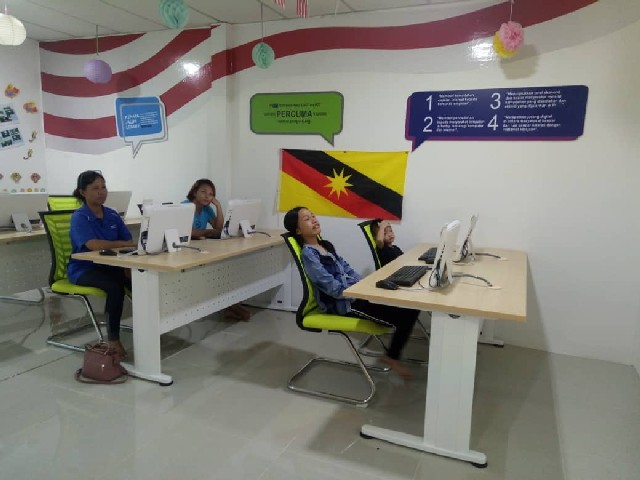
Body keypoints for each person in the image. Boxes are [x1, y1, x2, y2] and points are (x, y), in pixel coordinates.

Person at [284, 207, 418, 379]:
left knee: (410, 307)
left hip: (354, 295)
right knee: (406, 314)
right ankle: (392, 357)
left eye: (313, 216)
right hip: (345, 304)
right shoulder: (309, 255)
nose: (314, 220)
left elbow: (347, 269)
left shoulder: (325, 246)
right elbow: (331, 287)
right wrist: (358, 292)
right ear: (298, 230)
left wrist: (365, 286)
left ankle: (392, 354)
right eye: (307, 219)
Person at [68, 171, 136, 358]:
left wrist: (122, 251)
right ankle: (113, 340)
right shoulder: (80, 217)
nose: (101, 192)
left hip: (110, 265)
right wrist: (120, 244)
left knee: (140, 280)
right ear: (83, 192)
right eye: (95, 188)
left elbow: (129, 241)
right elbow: (93, 245)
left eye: (103, 187)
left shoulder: (112, 214)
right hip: (84, 269)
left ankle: (151, 326)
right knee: (115, 288)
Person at [183, 179, 251, 321]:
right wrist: (207, 232)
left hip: (199, 249)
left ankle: (229, 305)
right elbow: (186, 232)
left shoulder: (207, 209)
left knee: (225, 267)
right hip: (185, 251)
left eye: (211, 194)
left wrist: (218, 206)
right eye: (203, 192)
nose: (207, 196)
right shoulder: (185, 207)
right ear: (194, 192)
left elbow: (219, 228)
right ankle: (228, 306)